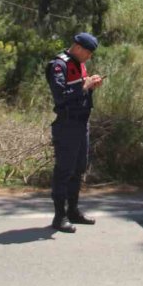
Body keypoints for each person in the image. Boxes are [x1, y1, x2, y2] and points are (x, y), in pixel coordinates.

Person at [45, 32, 104, 233]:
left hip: (81, 124)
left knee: (78, 169)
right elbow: (60, 96)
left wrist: (91, 86)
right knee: (64, 171)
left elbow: (80, 92)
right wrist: (84, 86)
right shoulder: (58, 65)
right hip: (67, 125)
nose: (89, 57)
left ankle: (73, 211)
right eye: (88, 52)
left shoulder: (79, 63)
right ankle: (59, 217)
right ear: (77, 47)